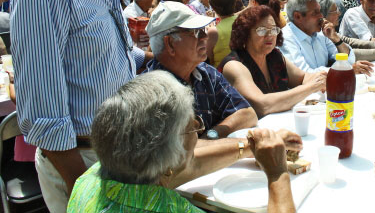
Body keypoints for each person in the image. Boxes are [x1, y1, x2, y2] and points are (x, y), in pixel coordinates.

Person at [10, 0, 150, 212]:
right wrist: (86, 191)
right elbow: (44, 114)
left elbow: (101, 61)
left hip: (119, 156)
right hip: (85, 164)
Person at [67, 71, 298, 213]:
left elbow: (187, 166)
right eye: (193, 127)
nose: (198, 133)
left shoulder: (91, 179)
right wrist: (277, 174)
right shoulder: (171, 208)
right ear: (170, 159)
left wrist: (249, 147)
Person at [145, 1, 257, 138]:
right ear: (169, 44)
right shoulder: (151, 93)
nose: (205, 37)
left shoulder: (205, 73)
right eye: (195, 32)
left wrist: (212, 135)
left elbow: (247, 113)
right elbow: (181, 155)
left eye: (203, 30)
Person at [219, 6, 327, 117]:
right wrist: (311, 87)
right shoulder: (234, 65)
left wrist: (320, 78)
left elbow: (302, 78)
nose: (270, 35)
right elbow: (262, 105)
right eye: (262, 30)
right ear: (245, 33)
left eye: (274, 30)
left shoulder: (274, 56)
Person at [280, 0, 374, 75]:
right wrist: (345, 70)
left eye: (320, 11)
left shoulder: (321, 33)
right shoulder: (286, 39)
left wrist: (336, 39)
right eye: (315, 13)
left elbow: (349, 60)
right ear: (298, 17)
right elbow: (303, 74)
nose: (321, 16)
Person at [207, 0, 237, 68]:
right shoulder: (245, 21)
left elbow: (208, 59)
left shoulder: (213, 31)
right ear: (235, 1)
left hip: (222, 77)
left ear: (212, 5)